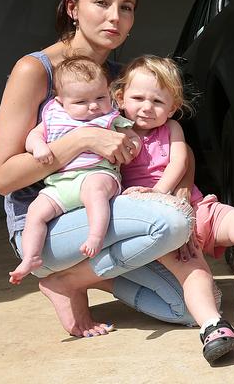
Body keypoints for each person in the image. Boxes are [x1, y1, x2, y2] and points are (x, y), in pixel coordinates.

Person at [0, 0, 218, 342]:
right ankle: (68, 275)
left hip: (111, 215)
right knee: (170, 223)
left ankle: (76, 280)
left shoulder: (123, 77)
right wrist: (83, 140)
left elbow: (171, 139)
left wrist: (184, 185)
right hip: (47, 221)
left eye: (126, 7)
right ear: (72, 9)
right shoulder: (35, 70)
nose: (115, 16)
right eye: (102, 2)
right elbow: (2, 177)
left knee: (192, 305)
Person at [112, 55, 234, 360]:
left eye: (157, 100)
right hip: (159, 221)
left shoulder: (171, 129)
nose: (146, 107)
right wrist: (161, 206)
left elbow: (179, 161)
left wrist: (162, 193)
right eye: (137, 97)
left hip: (192, 205)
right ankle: (211, 326)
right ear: (120, 98)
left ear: (173, 106)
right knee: (194, 267)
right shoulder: (115, 132)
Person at [9, 57, 140, 284]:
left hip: (99, 173)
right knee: (35, 213)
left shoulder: (110, 118)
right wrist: (39, 147)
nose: (93, 106)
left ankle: (96, 237)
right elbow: (34, 136)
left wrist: (133, 146)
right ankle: (31, 256)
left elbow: (131, 136)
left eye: (100, 97)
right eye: (81, 101)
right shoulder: (54, 117)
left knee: (94, 192)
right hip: (60, 184)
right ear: (61, 101)